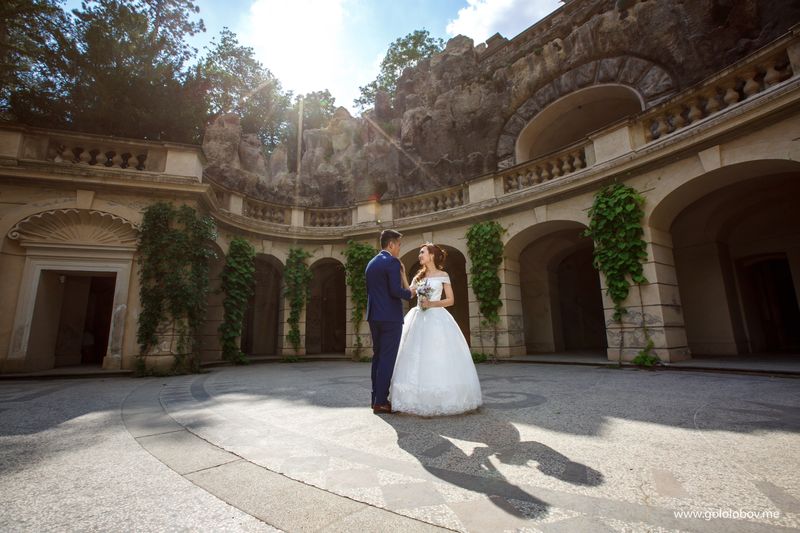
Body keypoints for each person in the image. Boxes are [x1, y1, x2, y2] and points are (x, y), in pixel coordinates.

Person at [390, 243, 482, 416]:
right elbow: (409, 293)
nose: (419, 255)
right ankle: (414, 398)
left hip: (437, 317)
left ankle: (443, 398)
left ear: (431, 255)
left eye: (422, 252)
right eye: (419, 252)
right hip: (418, 317)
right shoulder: (418, 276)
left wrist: (431, 303)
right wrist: (403, 274)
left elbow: (450, 300)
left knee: (437, 355)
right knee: (416, 356)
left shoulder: (443, 275)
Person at [365, 229, 416, 414]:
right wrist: (410, 292)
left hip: (374, 317)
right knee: (387, 359)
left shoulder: (371, 263)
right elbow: (395, 291)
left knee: (377, 358)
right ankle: (381, 401)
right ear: (391, 244)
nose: (399, 249)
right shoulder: (393, 262)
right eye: (399, 245)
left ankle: (374, 398)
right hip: (390, 318)